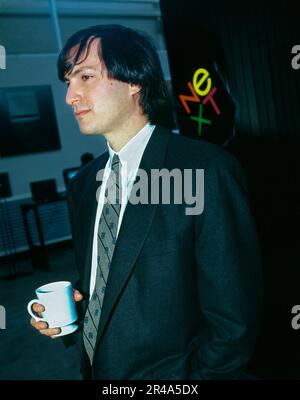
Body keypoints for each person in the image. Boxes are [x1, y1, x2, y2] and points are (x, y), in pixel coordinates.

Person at [30, 24, 262, 380]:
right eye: (68, 82)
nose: (70, 96)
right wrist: (68, 314)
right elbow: (110, 278)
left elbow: (236, 316)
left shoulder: (205, 169)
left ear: (134, 79)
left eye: (85, 76)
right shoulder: (84, 185)